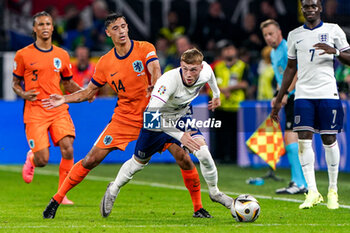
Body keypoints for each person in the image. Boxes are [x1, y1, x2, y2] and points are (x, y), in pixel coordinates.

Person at [42, 13, 213, 219]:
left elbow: (154, 66)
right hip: (124, 118)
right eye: (115, 28)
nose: (121, 31)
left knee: (184, 158)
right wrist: (63, 99)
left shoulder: (144, 48)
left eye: (123, 26)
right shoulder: (105, 63)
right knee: (90, 159)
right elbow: (88, 92)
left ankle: (198, 208)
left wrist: (156, 85)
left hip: (156, 116)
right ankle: (56, 200)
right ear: (108, 33)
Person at [99, 47, 233, 217]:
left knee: (204, 153)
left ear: (200, 68)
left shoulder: (205, 70)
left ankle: (214, 193)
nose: (189, 74)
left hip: (181, 116)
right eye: (185, 69)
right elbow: (150, 117)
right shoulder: (168, 82)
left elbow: (211, 75)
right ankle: (114, 188)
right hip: (156, 120)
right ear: (180, 66)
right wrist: (180, 135)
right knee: (138, 163)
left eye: (193, 70)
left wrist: (216, 94)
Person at [271, 0, 350, 209]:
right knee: (303, 140)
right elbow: (290, 68)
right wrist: (279, 98)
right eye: (306, 6)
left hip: (328, 92)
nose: (310, 9)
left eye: (314, 5)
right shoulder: (295, 35)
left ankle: (333, 190)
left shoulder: (334, 30)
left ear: (320, 8)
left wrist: (335, 52)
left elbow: (349, 58)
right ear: (302, 9)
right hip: (303, 94)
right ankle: (312, 192)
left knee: (328, 138)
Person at [12, 11, 84, 205]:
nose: (45, 27)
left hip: (57, 107)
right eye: (41, 24)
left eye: (48, 24)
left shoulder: (62, 54)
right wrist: (23, 94)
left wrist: (86, 92)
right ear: (34, 29)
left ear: (53, 28)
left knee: (68, 148)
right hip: (35, 110)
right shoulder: (23, 54)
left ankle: (62, 195)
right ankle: (32, 157)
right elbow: (15, 83)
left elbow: (68, 83)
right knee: (43, 160)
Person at [260, 19, 308, 194]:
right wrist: (277, 95)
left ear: (279, 32)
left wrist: (287, 92)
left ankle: (300, 183)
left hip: (298, 96)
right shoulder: (273, 53)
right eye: (265, 35)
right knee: (292, 138)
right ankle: (299, 182)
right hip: (289, 96)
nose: (268, 37)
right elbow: (282, 78)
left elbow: (296, 71)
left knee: (291, 137)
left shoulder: (287, 47)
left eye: (271, 33)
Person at [211, 43, 249, 163]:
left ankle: (233, 157)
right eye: (226, 49)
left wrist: (229, 89)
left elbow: (245, 83)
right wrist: (223, 90)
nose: (228, 52)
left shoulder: (242, 66)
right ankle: (220, 157)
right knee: (220, 133)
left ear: (235, 51)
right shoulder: (217, 67)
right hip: (220, 105)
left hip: (236, 105)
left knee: (234, 134)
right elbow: (212, 83)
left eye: (230, 49)